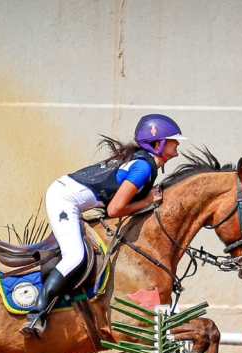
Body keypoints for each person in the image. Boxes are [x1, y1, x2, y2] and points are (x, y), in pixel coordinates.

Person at [22, 114, 186, 337]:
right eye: (173, 140)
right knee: (75, 256)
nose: (178, 144)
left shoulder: (146, 165)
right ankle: (37, 313)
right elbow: (115, 210)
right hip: (64, 199)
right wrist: (148, 201)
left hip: (72, 198)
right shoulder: (143, 169)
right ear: (158, 144)